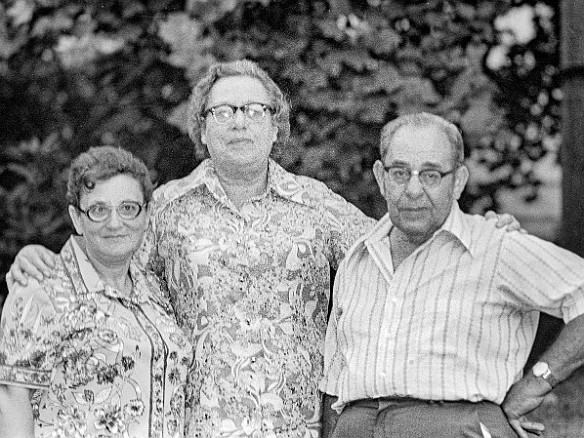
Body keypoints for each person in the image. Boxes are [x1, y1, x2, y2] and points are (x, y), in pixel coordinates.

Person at [7, 61, 519, 438]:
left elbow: (399, 256)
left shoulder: (317, 206)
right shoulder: (163, 209)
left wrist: (475, 229)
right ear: (202, 127)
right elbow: (108, 271)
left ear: (277, 126)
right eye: (223, 110)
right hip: (195, 427)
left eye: (254, 109)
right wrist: (41, 258)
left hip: (294, 427)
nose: (238, 121)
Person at [320, 112, 584, 438]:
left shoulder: (495, 246)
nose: (413, 189)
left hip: (457, 426)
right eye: (400, 173)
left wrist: (538, 383)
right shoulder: (357, 260)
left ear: (458, 181)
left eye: (431, 175)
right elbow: (334, 384)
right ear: (380, 177)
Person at [0, 146, 193, 438]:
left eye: (128, 208)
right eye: (98, 210)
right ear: (77, 218)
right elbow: (12, 403)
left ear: (146, 215)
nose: (115, 223)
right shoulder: (40, 291)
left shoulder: (156, 292)